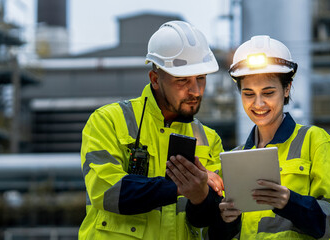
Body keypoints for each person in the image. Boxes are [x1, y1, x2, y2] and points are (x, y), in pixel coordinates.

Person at [169, 35, 330, 239]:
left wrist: (289, 203)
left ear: (287, 88)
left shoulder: (314, 142)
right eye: (248, 94)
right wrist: (227, 221)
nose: (258, 103)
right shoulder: (233, 158)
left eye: (268, 92)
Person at [78, 20, 226, 240]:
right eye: (182, 80)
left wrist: (201, 196)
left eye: (201, 79)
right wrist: (179, 187)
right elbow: (107, 192)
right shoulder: (108, 121)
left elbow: (209, 219)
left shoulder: (209, 139)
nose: (195, 91)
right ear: (155, 79)